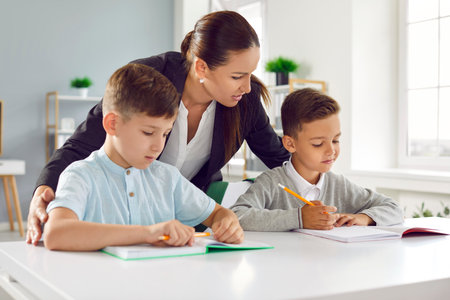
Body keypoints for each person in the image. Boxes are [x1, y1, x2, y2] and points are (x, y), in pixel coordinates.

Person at [27, 10, 289, 244]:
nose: (247, 86)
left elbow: (278, 157)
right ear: (202, 67)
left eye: (250, 74)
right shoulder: (148, 80)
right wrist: (45, 190)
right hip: (132, 217)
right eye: (237, 76)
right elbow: (82, 143)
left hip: (188, 211)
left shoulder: (246, 99)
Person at [43, 64, 243, 251]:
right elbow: (56, 233)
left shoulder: (167, 178)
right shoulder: (80, 175)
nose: (158, 146)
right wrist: (148, 233)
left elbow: (219, 213)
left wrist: (227, 222)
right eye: (148, 132)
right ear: (112, 124)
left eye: (165, 134)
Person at [230, 88, 403, 231]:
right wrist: (298, 218)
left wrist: (364, 218)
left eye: (335, 140)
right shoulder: (271, 183)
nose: (331, 150)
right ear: (290, 144)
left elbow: (394, 208)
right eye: (318, 144)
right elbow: (237, 215)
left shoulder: (339, 185)